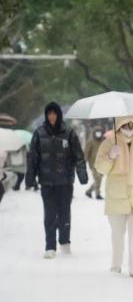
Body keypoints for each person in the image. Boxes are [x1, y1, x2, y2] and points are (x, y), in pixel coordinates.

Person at [95, 116, 133, 279]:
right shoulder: (109, 142)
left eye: (132, 126)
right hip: (117, 196)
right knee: (117, 234)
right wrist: (110, 156)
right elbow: (100, 168)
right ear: (119, 126)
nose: (128, 129)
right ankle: (116, 265)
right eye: (125, 126)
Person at [25, 102, 88, 259]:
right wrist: (30, 178)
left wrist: (82, 175)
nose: (51, 116)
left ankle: (65, 242)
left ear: (58, 115)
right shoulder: (39, 133)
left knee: (64, 213)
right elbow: (33, 158)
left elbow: (78, 156)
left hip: (65, 182)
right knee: (50, 215)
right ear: (46, 115)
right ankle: (50, 246)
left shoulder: (69, 133)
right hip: (47, 182)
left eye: (54, 113)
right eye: (49, 113)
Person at [84, 125, 105, 199]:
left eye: (100, 132)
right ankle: (97, 194)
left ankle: (89, 191)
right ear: (94, 132)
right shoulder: (90, 142)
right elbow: (86, 153)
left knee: (98, 180)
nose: (98, 133)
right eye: (97, 132)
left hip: (102, 164)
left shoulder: (103, 141)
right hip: (93, 164)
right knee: (98, 179)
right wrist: (84, 162)